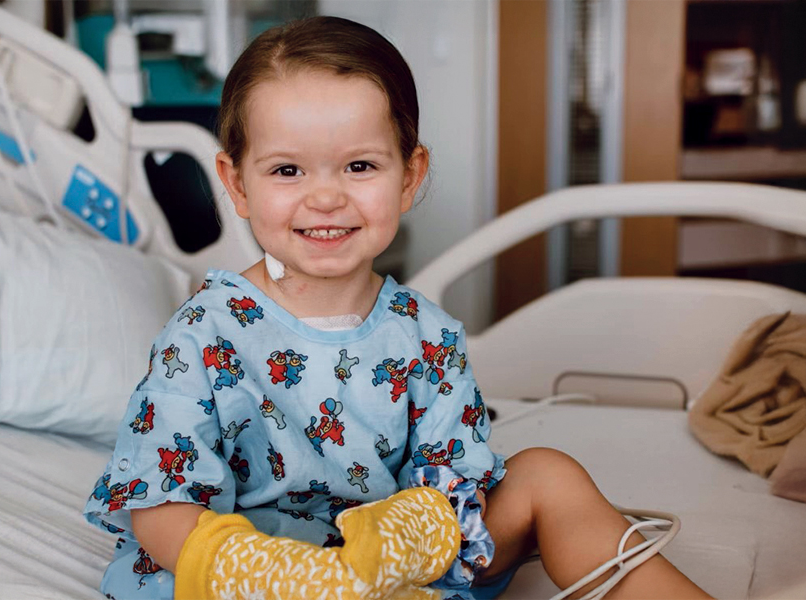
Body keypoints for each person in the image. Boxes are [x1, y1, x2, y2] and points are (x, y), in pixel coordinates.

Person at [84, 16, 712, 600]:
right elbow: (159, 502)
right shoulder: (202, 332)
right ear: (237, 183)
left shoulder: (427, 336)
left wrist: (391, 554)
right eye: (287, 171)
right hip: (251, 572)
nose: (325, 197)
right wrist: (282, 575)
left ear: (409, 177)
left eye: (360, 165)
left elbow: (451, 480)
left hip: (394, 562)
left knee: (546, 473)